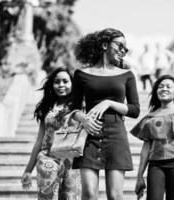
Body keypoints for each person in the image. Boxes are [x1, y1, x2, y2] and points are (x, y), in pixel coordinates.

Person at [70, 28, 140, 200]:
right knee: (89, 193)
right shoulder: (81, 74)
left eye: (126, 48)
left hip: (116, 135)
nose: (123, 50)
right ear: (104, 45)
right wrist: (83, 119)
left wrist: (109, 102)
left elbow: (135, 110)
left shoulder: (127, 75)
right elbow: (73, 109)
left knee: (115, 196)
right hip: (89, 136)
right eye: (120, 45)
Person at [131, 75, 174, 200]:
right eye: (160, 86)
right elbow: (146, 148)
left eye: (169, 86)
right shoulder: (150, 117)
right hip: (155, 165)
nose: (164, 89)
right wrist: (139, 176)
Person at [21, 67, 81, 200]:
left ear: (72, 84)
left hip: (73, 161)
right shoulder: (47, 109)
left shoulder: (80, 106)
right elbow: (39, 141)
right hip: (48, 158)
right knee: (47, 197)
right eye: (57, 82)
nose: (61, 85)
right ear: (52, 85)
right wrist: (28, 170)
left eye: (65, 81)